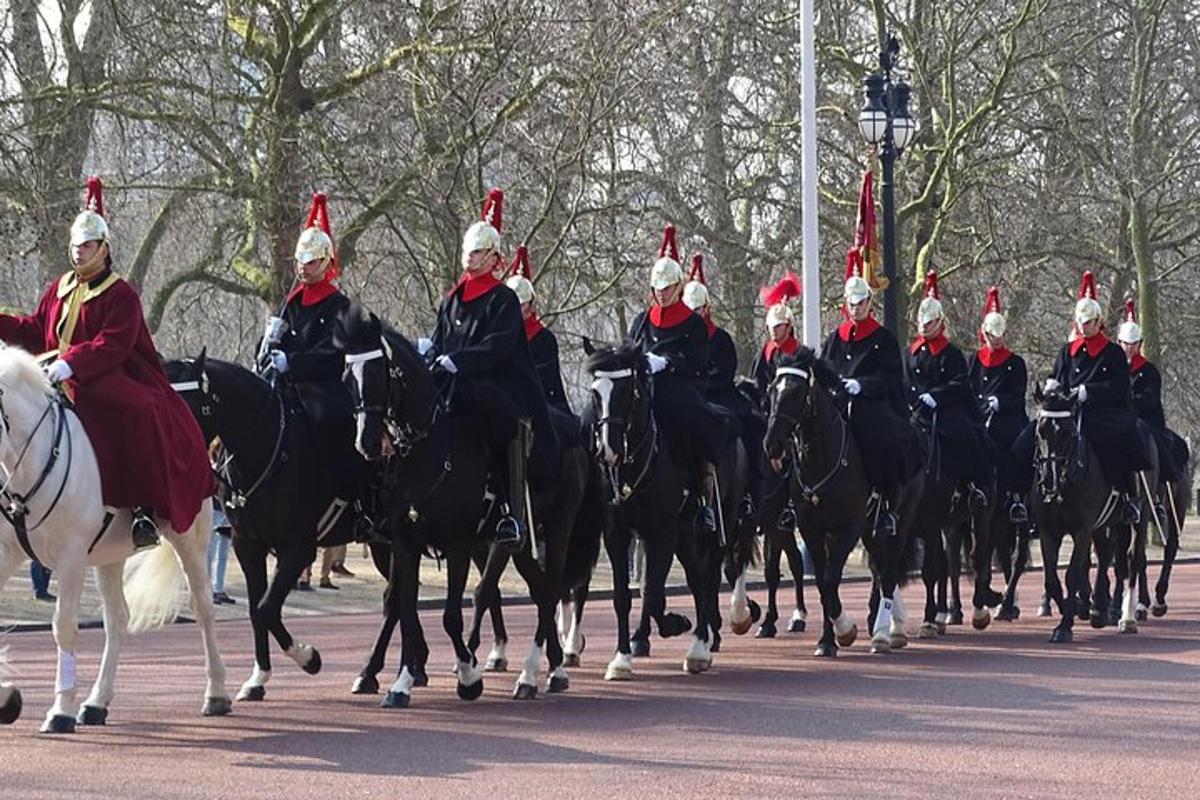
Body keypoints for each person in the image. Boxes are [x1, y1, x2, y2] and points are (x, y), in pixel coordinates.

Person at [0, 177, 211, 549]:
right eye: (76, 246)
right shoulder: (60, 287)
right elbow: (35, 329)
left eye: (87, 246)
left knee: (137, 409)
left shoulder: (121, 294)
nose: (79, 252)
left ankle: (143, 509)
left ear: (103, 248)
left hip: (105, 376)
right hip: (55, 376)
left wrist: (72, 363)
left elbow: (113, 344)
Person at [422, 189, 558, 550]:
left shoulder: (503, 298)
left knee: (500, 422)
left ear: (494, 257)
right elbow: (440, 337)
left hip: (497, 383)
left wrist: (459, 361)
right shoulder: (451, 299)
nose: (470, 258)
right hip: (453, 382)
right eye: (468, 251)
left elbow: (497, 346)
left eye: (478, 252)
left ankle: (509, 510)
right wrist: (430, 354)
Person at [259, 192, 366, 533]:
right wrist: (269, 342)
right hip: (287, 385)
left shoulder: (339, 304)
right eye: (299, 263)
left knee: (330, 419)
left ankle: (346, 494)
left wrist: (292, 361)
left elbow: (333, 353)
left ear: (325, 263)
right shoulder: (291, 303)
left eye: (310, 263)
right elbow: (268, 350)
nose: (302, 270)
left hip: (322, 386)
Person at [627, 225, 731, 534]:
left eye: (667, 287)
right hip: (645, 388)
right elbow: (630, 348)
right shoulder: (641, 320)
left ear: (677, 287)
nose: (661, 293)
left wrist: (667, 363)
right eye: (657, 288)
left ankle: (703, 494)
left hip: (679, 388)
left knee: (695, 419)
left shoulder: (692, 324)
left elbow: (696, 362)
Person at [820, 255, 923, 536]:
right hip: (839, 403)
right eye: (851, 304)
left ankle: (886, 502)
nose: (856, 309)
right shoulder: (834, 338)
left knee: (883, 441)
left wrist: (861, 386)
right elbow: (825, 369)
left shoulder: (883, 338)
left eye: (861, 303)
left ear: (869, 303)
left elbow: (890, 376)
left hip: (873, 405)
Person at [1047, 271, 1151, 523]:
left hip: (1101, 412)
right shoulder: (1066, 351)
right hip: (1068, 413)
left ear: (1098, 321)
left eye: (1089, 322)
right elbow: (1057, 376)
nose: (1084, 327)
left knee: (1124, 437)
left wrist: (1088, 392)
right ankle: (1026, 497)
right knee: (1037, 439)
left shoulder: (1113, 353)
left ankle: (1128, 497)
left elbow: (1118, 387)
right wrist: (1053, 388)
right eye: (1081, 322)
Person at [904, 270, 993, 507]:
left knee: (964, 435)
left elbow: (961, 383)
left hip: (944, 409)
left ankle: (969, 486)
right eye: (921, 323)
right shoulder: (909, 353)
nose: (924, 327)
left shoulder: (951, 353)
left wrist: (936, 396)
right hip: (914, 410)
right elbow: (903, 380)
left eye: (930, 322)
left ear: (940, 322)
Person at [967, 287, 1030, 524]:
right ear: (984, 334)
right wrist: (979, 403)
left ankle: (1016, 496)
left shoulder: (1015, 363)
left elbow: (1018, 394)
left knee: (1016, 446)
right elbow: (967, 389)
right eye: (992, 335)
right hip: (978, 414)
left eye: (1000, 335)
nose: (996, 340)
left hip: (1007, 417)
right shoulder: (972, 361)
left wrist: (999, 401)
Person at [1117, 299, 1189, 491]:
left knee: (1156, 445)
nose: (1129, 348)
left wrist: (1129, 402)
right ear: (1119, 343)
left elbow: (1150, 400)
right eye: (1125, 344)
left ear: (1140, 344)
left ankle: (1160, 488)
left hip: (1147, 420)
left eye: (1133, 344)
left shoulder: (1149, 371)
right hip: (1120, 418)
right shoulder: (1114, 368)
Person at [209, 500, 234, 605]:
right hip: (214, 508)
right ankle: (208, 590)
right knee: (210, 552)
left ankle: (218, 588)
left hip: (227, 510)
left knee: (223, 554)